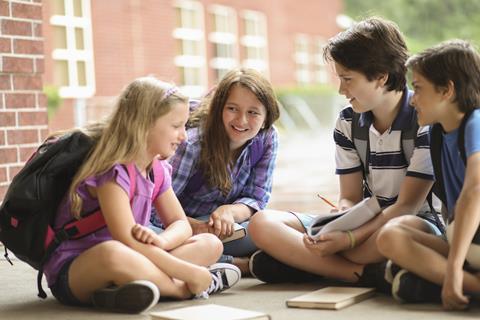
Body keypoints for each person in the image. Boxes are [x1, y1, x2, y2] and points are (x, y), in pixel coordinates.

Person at [248, 17, 440, 287]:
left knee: (386, 238)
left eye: (347, 79)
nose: (341, 89)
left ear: (381, 76)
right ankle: (363, 274)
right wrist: (340, 221)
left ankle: (311, 266)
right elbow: (349, 196)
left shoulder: (425, 119)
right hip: (366, 219)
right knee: (262, 224)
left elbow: (407, 206)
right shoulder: (348, 122)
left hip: (411, 222)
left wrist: (349, 239)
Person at [42, 77, 241, 314]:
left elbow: (180, 223)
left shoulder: (156, 170)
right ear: (144, 124)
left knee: (210, 243)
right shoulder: (112, 172)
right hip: (78, 271)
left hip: (138, 258)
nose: (184, 136)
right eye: (176, 126)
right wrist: (188, 273)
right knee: (113, 254)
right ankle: (184, 289)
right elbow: (127, 239)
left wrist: (162, 241)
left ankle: (122, 292)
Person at [376, 40, 480, 310]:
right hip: (470, 242)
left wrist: (454, 268)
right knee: (390, 235)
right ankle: (469, 285)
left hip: (473, 238)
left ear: (447, 90)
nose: (413, 98)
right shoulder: (436, 134)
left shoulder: (476, 122)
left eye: (419, 89)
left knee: (404, 273)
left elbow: (474, 193)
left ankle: (452, 280)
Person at [150, 68, 280, 275]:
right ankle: (237, 264)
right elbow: (155, 211)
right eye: (232, 109)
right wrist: (197, 227)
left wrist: (230, 211)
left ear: (266, 118)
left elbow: (257, 197)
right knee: (154, 239)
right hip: (181, 227)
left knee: (269, 231)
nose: (242, 121)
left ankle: (210, 260)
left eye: (253, 112)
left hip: (225, 229)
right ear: (219, 108)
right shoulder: (192, 144)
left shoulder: (267, 138)